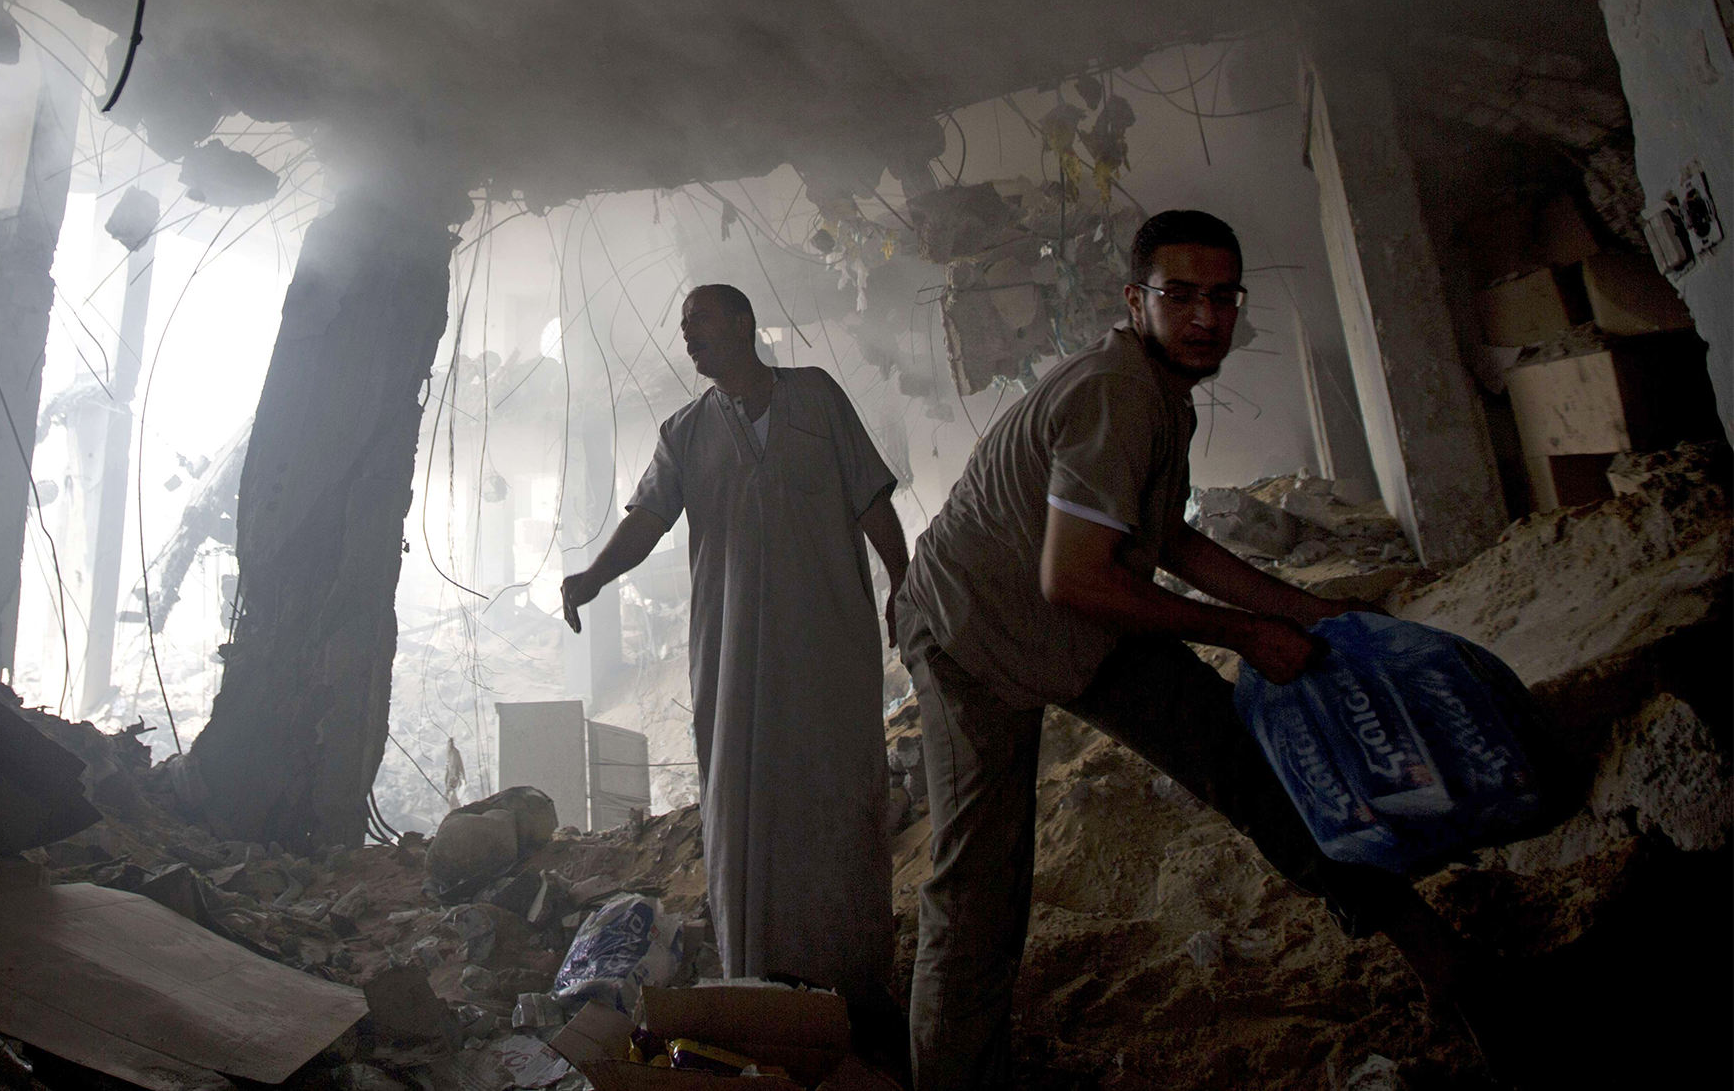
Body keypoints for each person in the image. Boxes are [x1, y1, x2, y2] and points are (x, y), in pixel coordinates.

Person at [894, 210, 1480, 1090]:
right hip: (971, 634)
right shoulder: (1117, 394)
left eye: (1222, 297)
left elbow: (1168, 541)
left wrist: (1305, 612)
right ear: (1136, 300)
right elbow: (1076, 580)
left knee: (1252, 764)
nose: (1206, 317)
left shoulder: (1160, 396)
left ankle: (1444, 963)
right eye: (1181, 296)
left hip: (1077, 621)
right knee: (981, 888)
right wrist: (1248, 632)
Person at [562, 283, 909, 1023]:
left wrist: (903, 582)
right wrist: (593, 576)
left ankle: (855, 978)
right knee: (745, 800)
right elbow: (650, 519)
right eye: (682, 326)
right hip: (732, 655)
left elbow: (871, 498)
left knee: (838, 789)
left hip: (829, 643)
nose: (687, 335)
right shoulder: (683, 432)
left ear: (745, 324)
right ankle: (759, 976)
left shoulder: (816, 399)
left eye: (700, 321)